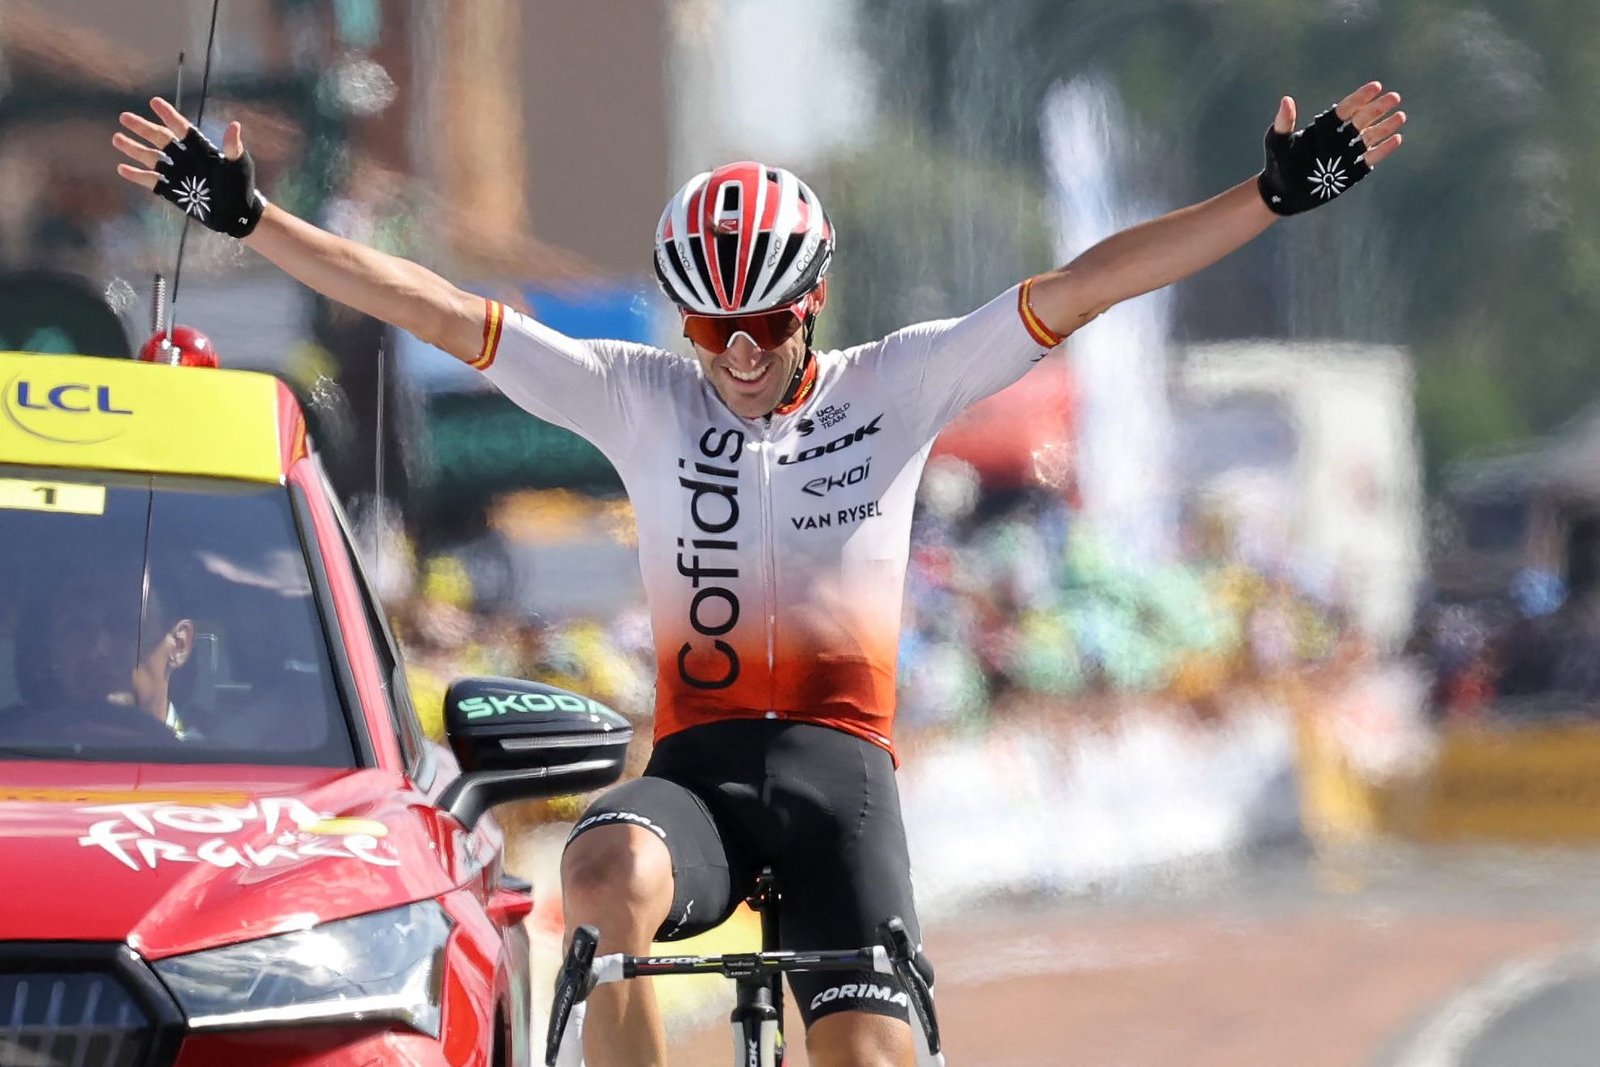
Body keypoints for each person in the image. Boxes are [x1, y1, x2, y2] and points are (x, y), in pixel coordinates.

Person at [114, 80, 1404, 1067]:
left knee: (866, 1057)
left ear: (814, 303)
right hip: (700, 777)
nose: (736, 356)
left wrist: (1266, 198)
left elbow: (1090, 282)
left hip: (843, 789)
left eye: (767, 325)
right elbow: (433, 307)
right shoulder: (637, 396)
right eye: (711, 325)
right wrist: (252, 219)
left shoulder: (900, 382)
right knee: (600, 876)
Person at [4, 564, 195, 745]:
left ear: (179, 644)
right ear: (51, 648)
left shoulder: (208, 758)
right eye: (77, 629)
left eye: (123, 625)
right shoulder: (12, 751)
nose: (98, 650)